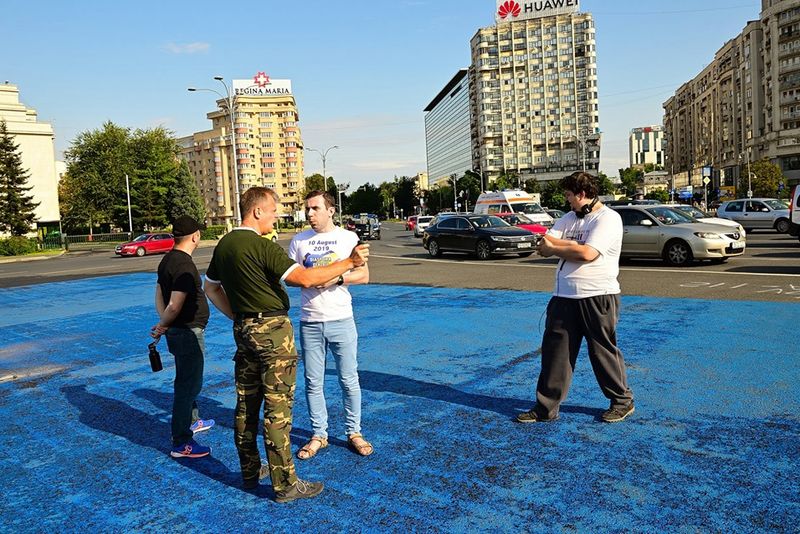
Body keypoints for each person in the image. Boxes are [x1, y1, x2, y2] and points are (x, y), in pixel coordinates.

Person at [204, 187, 369, 504]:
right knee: (277, 411)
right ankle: (285, 484)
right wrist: (349, 261)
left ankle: (250, 471)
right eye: (272, 210)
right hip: (273, 334)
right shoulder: (261, 245)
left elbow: (210, 288)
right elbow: (305, 279)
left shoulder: (224, 245)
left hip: (244, 331)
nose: (275, 216)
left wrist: (239, 316)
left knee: (246, 405)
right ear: (256, 212)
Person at [516, 172, 634, 424]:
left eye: (569, 195)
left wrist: (557, 248)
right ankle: (546, 407)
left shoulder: (608, 218)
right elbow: (546, 242)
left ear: (581, 194)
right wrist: (561, 246)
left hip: (598, 295)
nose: (567, 200)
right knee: (555, 353)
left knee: (602, 351)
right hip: (564, 296)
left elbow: (588, 254)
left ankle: (622, 401)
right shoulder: (568, 218)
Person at [288, 191, 372, 461]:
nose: (309, 214)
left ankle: (354, 432)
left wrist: (336, 279)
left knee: (349, 379)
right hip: (310, 322)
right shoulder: (299, 241)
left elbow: (363, 274)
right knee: (313, 382)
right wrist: (310, 279)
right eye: (307, 209)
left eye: (315, 208)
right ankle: (319, 434)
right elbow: (290, 278)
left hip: (341, 319)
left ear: (331, 210)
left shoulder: (348, 238)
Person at [151, 215, 215, 458]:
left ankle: (193, 421)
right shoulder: (184, 265)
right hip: (187, 333)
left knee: (186, 379)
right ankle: (181, 442)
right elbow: (175, 304)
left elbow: (160, 293)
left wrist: (164, 323)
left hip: (178, 330)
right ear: (195, 236)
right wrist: (163, 324)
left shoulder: (167, 260)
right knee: (188, 385)